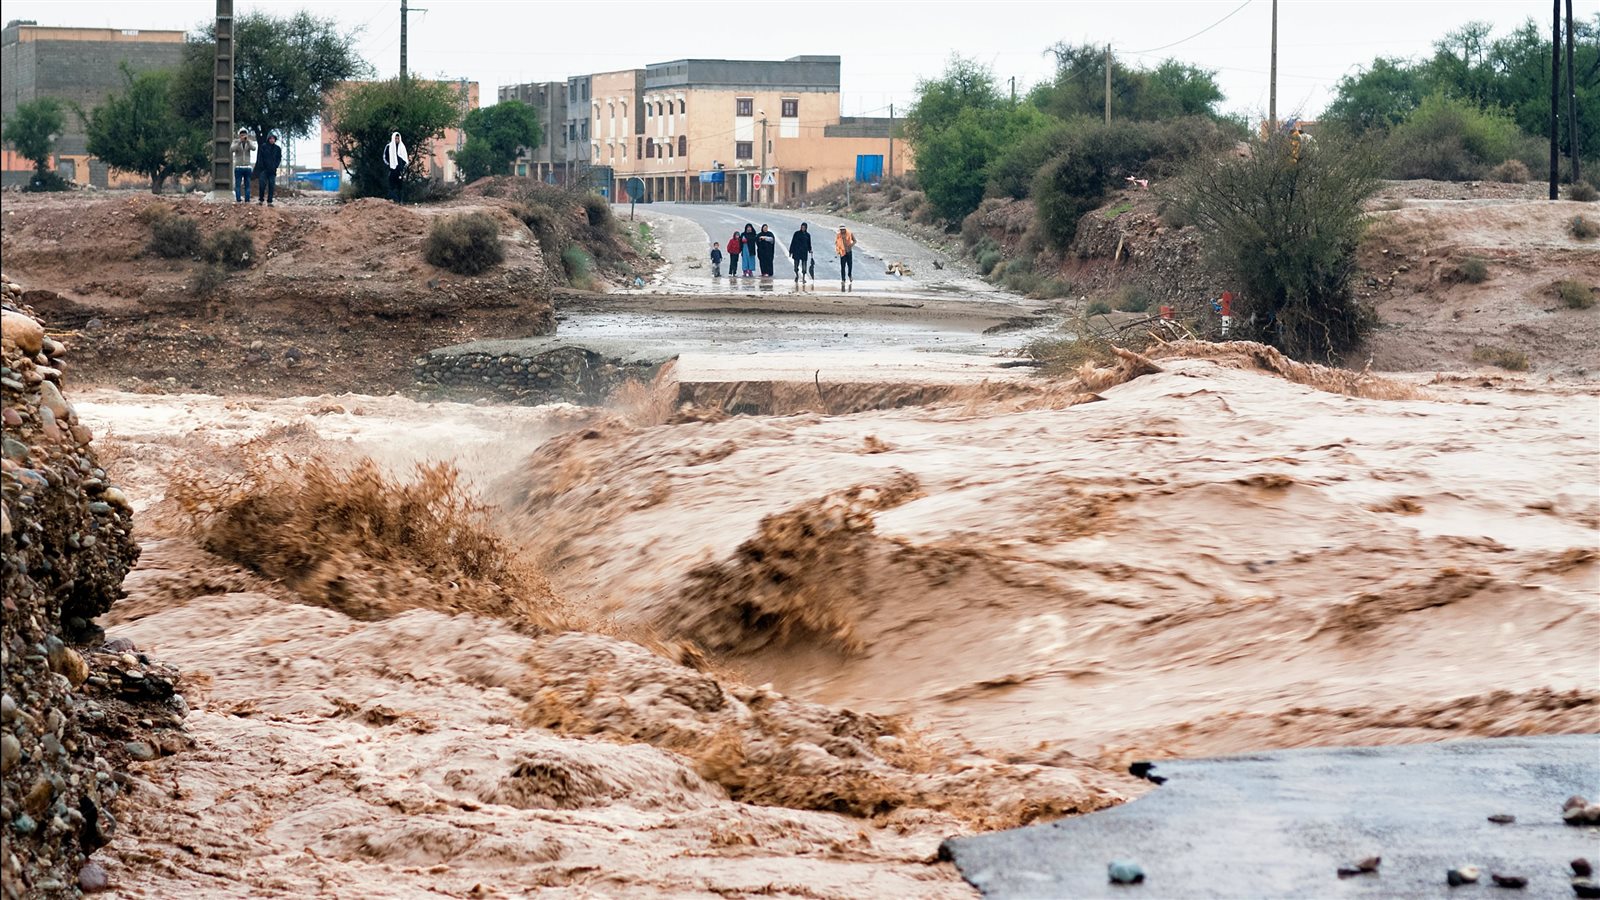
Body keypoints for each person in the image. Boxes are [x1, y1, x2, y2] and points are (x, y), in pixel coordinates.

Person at [254, 134, 282, 206]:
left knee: (271, 185)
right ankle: (261, 200)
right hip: (264, 170)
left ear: (275, 140)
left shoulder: (277, 148)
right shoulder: (264, 147)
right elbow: (260, 157)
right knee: (262, 184)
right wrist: (262, 167)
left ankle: (270, 201)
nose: (272, 140)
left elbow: (279, 158)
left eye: (273, 139)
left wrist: (275, 166)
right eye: (270, 138)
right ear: (268, 139)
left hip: (272, 170)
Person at [231, 129, 255, 203]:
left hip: (247, 167)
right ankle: (238, 200)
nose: (243, 136)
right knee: (238, 184)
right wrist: (239, 142)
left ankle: (247, 200)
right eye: (241, 135)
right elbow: (232, 149)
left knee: (247, 184)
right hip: (238, 167)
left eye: (244, 134)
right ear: (239, 135)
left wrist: (247, 141)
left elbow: (254, 148)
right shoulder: (235, 142)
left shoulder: (249, 142)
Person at [383, 132, 408, 203]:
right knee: (391, 186)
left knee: (400, 186)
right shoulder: (389, 146)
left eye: (398, 138)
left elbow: (405, 159)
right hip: (392, 170)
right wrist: (389, 165)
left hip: (400, 170)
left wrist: (403, 168)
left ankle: (400, 201)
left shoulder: (402, 147)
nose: (397, 140)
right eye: (395, 138)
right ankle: (394, 200)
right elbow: (385, 157)